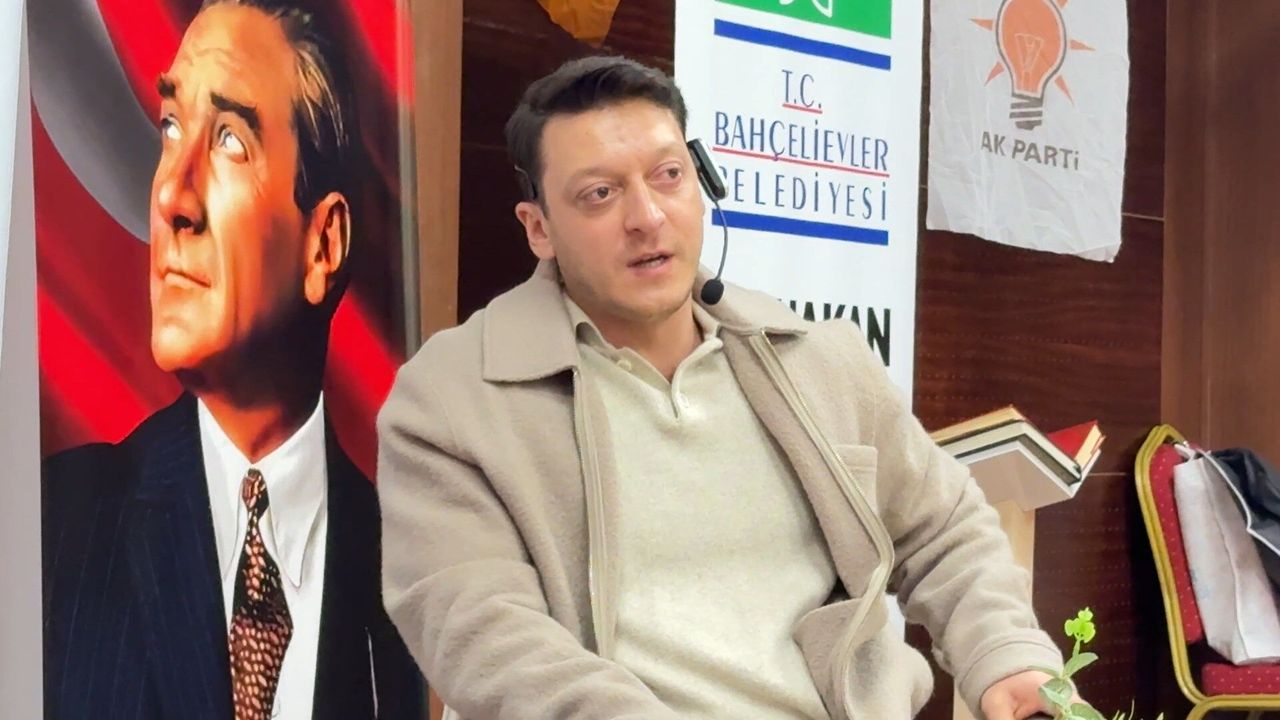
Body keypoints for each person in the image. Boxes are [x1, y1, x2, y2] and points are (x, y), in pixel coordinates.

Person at [378, 55, 1067, 720]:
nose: (647, 216)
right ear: (539, 229)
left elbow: (944, 529)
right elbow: (481, 631)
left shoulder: (817, 361)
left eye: (668, 175)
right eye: (600, 194)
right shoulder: (452, 399)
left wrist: (1006, 656)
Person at [41, 1, 421, 718]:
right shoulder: (51, 527)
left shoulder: (414, 578)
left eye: (229, 141)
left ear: (323, 245)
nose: (170, 195)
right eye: (170, 127)